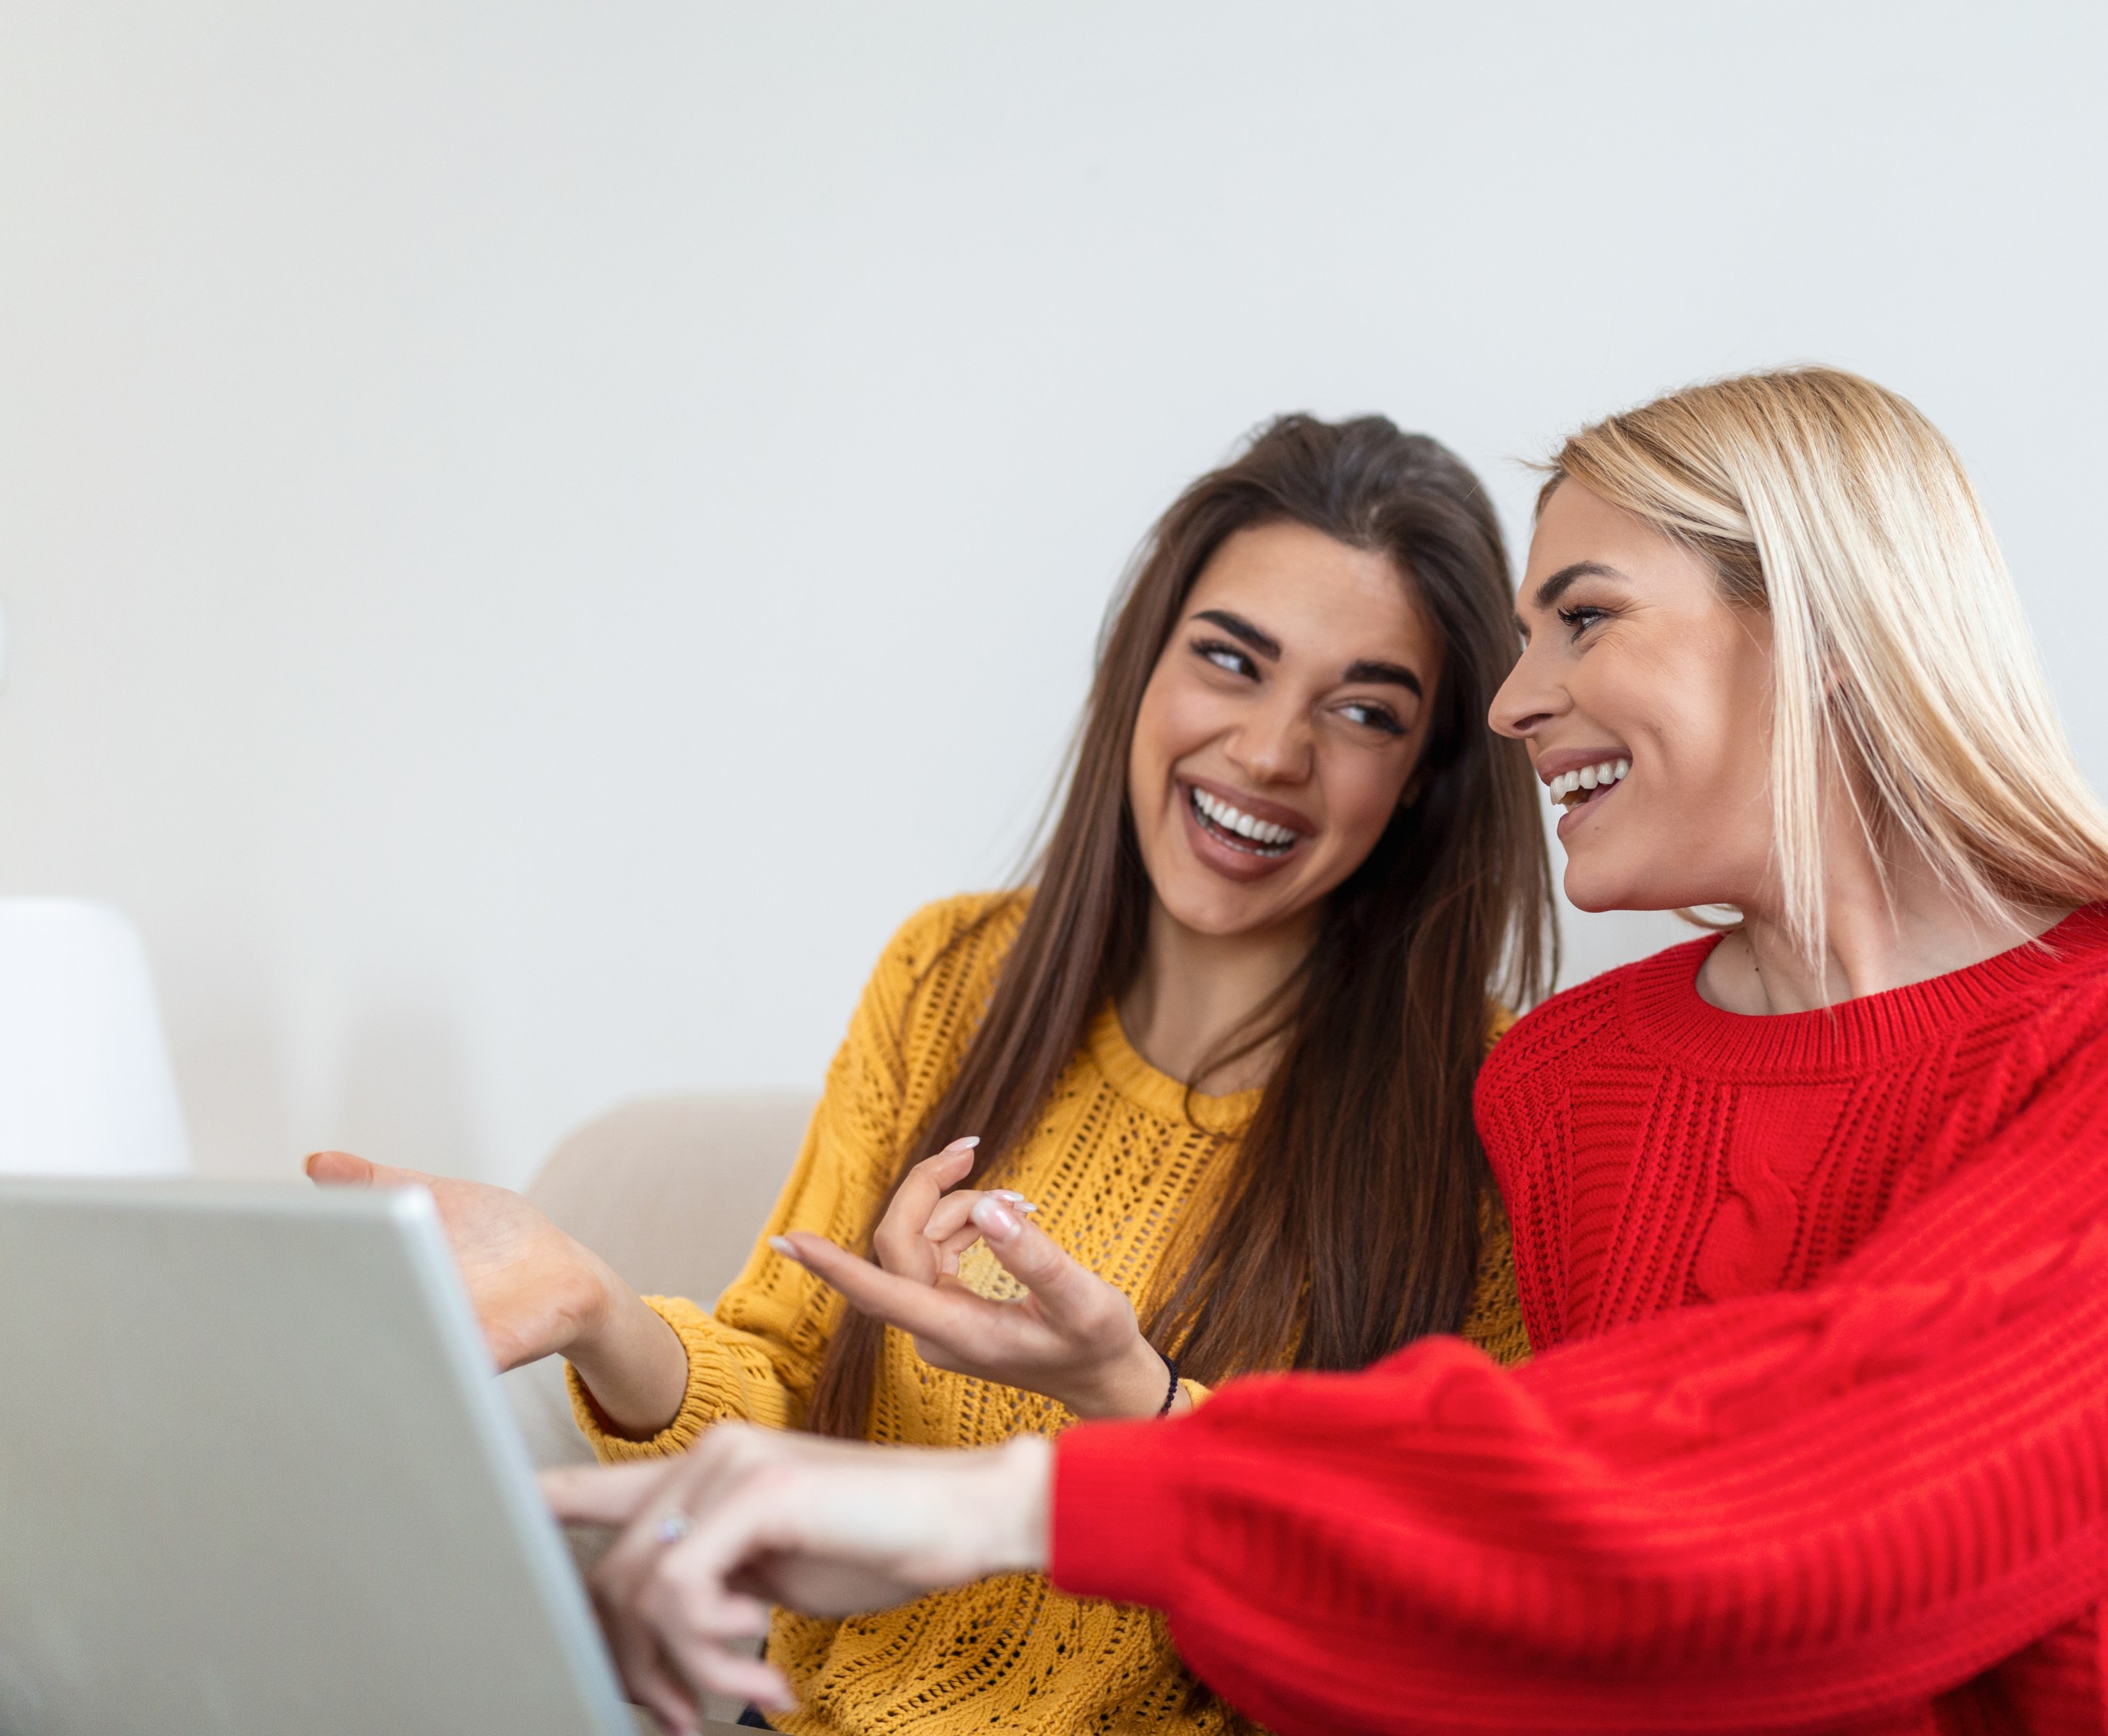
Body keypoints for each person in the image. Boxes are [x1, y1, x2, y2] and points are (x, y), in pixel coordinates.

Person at [547, 366, 2108, 1735]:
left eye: (1583, 620)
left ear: (1831, 633)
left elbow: (1857, 1480)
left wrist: (1019, 1493)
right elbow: (1554, 1604)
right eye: (1520, 640)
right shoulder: (1575, 1082)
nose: (1518, 706)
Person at [309, 411, 1555, 1735]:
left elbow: (1438, 1594)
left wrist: (1130, 1397)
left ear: (1425, 777)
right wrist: (596, 1303)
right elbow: (782, 1390)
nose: (1267, 752)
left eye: (1364, 711)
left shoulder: (1495, 1106)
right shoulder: (953, 973)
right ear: (1141, 668)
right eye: (1229, 662)